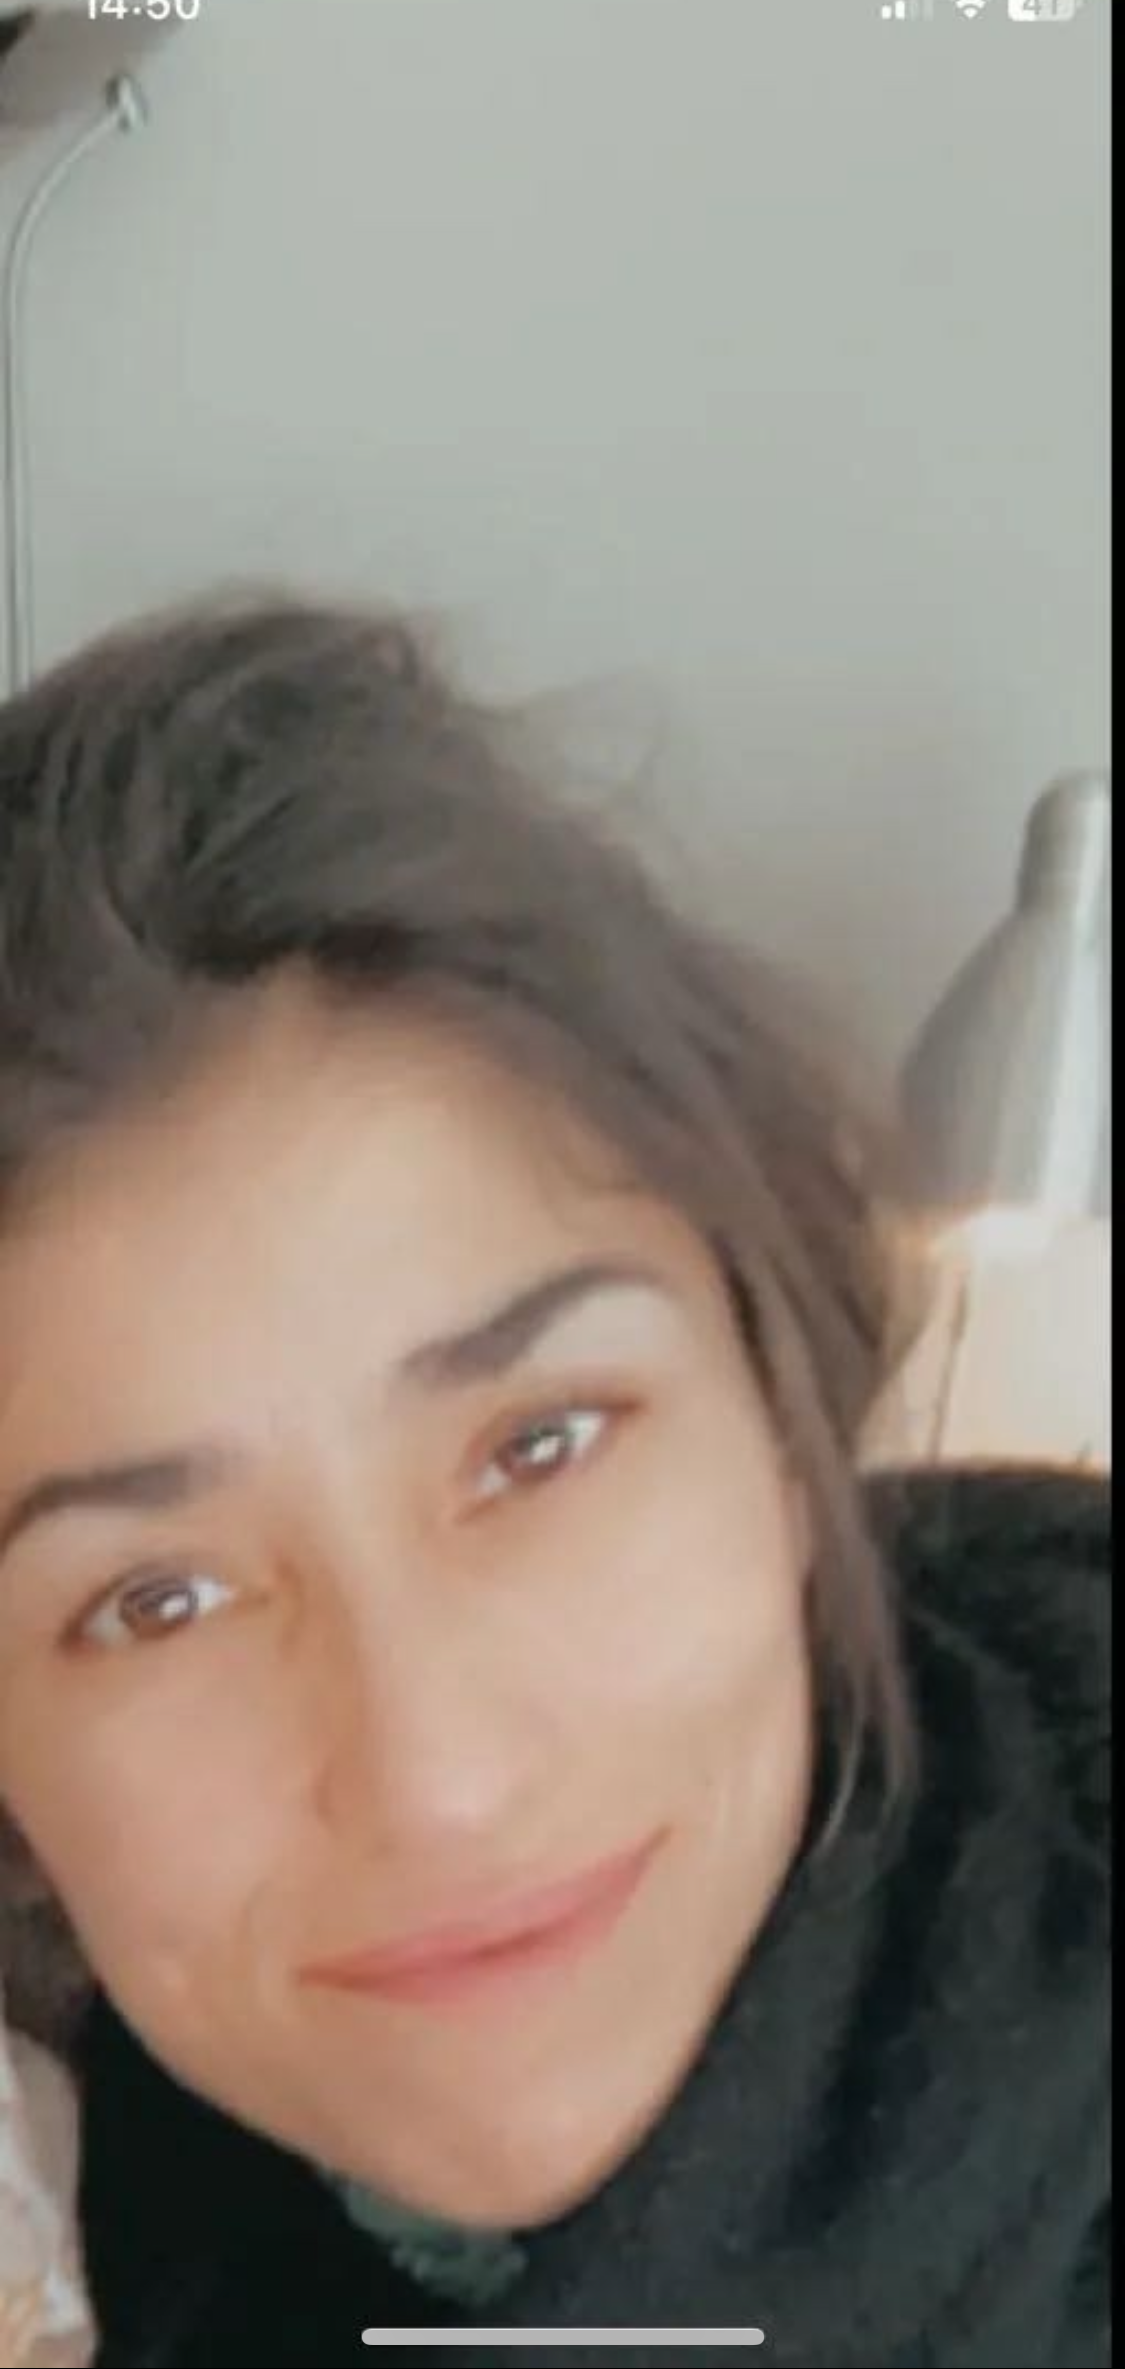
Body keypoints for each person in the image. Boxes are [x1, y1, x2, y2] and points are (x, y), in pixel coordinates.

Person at [0, 598, 1108, 2369]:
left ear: (780, 1411)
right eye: (158, 1599)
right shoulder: (168, 2210)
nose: (439, 1781)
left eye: (538, 1446)